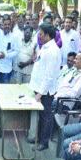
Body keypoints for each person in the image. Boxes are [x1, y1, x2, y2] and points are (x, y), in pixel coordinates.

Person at [28, 23, 61, 151]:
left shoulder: (53, 50)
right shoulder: (45, 47)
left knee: (46, 116)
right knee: (41, 115)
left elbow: (49, 75)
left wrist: (40, 93)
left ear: (47, 35)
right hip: (40, 87)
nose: (39, 36)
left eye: (41, 34)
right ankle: (38, 137)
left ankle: (44, 142)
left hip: (46, 91)